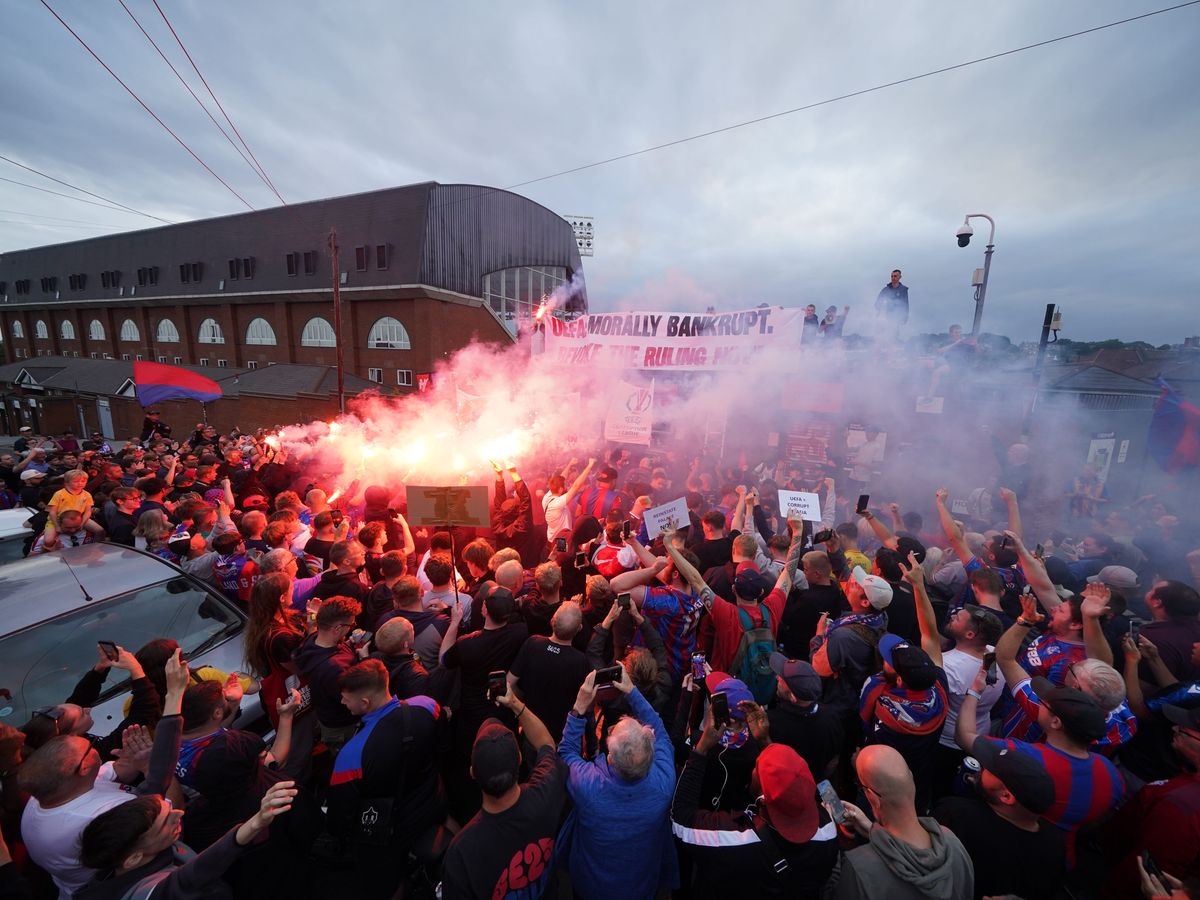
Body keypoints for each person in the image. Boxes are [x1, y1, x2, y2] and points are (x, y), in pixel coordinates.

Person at [17, 650, 189, 898]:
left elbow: (113, 771)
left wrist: (133, 761)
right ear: (84, 768)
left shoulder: (44, 794)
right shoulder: (101, 815)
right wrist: (150, 767)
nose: (93, 746)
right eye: (88, 748)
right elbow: (170, 810)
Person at [672, 699, 838, 898]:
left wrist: (701, 749)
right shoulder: (828, 831)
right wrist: (764, 740)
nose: (752, 770)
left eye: (756, 769)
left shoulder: (735, 838)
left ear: (763, 797)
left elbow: (681, 820)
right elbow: (785, 782)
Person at [327, 660, 446, 898]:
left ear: (365, 703)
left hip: (390, 832)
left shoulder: (351, 755)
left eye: (345, 699)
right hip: (432, 802)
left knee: (387, 887)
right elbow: (443, 747)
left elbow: (341, 815)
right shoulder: (427, 706)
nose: (342, 702)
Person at [559, 668, 678, 899]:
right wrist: (633, 692)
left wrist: (579, 708)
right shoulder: (663, 783)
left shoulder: (589, 786)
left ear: (611, 758)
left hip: (590, 887)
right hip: (640, 886)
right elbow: (661, 731)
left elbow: (566, 754)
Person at [439, 686, 564, 900]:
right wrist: (514, 703)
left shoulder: (461, 852)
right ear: (519, 759)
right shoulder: (547, 792)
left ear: (472, 773)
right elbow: (545, 743)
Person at [75, 780, 295, 900]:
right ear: (133, 858)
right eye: (166, 821)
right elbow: (190, 876)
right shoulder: (149, 893)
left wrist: (173, 704)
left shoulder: (134, 853)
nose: (179, 814)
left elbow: (158, 777)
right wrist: (256, 823)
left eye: (170, 809)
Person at [832, 744, 974, 900]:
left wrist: (830, 845)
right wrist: (871, 829)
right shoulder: (955, 845)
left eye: (862, 787)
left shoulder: (859, 868)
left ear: (872, 797)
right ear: (911, 778)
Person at [933, 735, 1066, 900]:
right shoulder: (1056, 842)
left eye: (989, 769)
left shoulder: (958, 815)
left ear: (1006, 796)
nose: (982, 767)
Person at [1098, 702, 1200, 898]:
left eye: (1186, 728)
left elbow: (1148, 871)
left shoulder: (1183, 806)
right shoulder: (1186, 784)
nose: (1175, 728)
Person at [508, 601, 591, 741]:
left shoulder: (532, 643)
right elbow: (585, 705)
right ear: (579, 629)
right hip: (561, 736)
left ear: (552, 621)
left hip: (530, 731)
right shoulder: (580, 661)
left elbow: (509, 682)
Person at [291, 596, 363, 752]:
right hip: (343, 726)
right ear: (337, 628)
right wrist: (364, 661)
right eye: (350, 624)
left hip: (327, 717)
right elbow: (352, 701)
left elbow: (312, 626)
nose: (351, 628)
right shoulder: (334, 667)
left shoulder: (312, 639)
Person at [767, 653, 844, 780]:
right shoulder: (832, 716)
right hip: (823, 785)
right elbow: (834, 761)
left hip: (787, 790)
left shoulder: (772, 724)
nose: (776, 678)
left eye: (782, 678)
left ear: (793, 697)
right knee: (834, 801)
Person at [1140, 580, 1200, 684]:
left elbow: (1148, 689)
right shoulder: (1196, 627)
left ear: (1157, 602)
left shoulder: (1148, 639)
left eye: (1152, 589)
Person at [542, 457, 596, 543]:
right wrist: (589, 466)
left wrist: (570, 464)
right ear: (560, 489)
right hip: (560, 541)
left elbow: (561, 478)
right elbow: (576, 486)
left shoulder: (547, 496)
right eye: (565, 485)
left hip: (552, 538)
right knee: (562, 556)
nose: (567, 486)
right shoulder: (557, 503)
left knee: (554, 556)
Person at [874, 269, 909, 340]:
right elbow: (877, 304)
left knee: (893, 339)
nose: (893, 278)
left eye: (895, 276)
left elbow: (905, 304)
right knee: (880, 338)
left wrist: (904, 318)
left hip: (895, 320)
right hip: (883, 319)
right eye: (892, 276)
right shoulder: (885, 290)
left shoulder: (903, 290)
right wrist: (882, 306)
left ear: (900, 277)